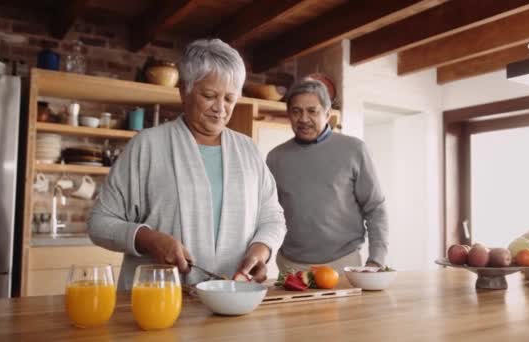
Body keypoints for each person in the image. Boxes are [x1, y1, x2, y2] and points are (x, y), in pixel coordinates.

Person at [88, 39, 286, 289]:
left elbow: (273, 217)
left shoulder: (249, 150)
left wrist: (261, 250)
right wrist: (149, 239)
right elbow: (100, 222)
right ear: (184, 91)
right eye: (209, 96)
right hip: (158, 299)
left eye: (229, 98)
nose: (220, 109)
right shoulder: (147, 146)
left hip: (235, 301)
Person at [266, 79, 388, 274]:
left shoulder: (354, 150)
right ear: (289, 114)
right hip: (290, 266)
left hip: (343, 263)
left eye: (312, 111)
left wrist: (376, 260)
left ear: (327, 113)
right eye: (296, 111)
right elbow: (268, 214)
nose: (303, 119)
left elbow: (375, 208)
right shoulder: (275, 157)